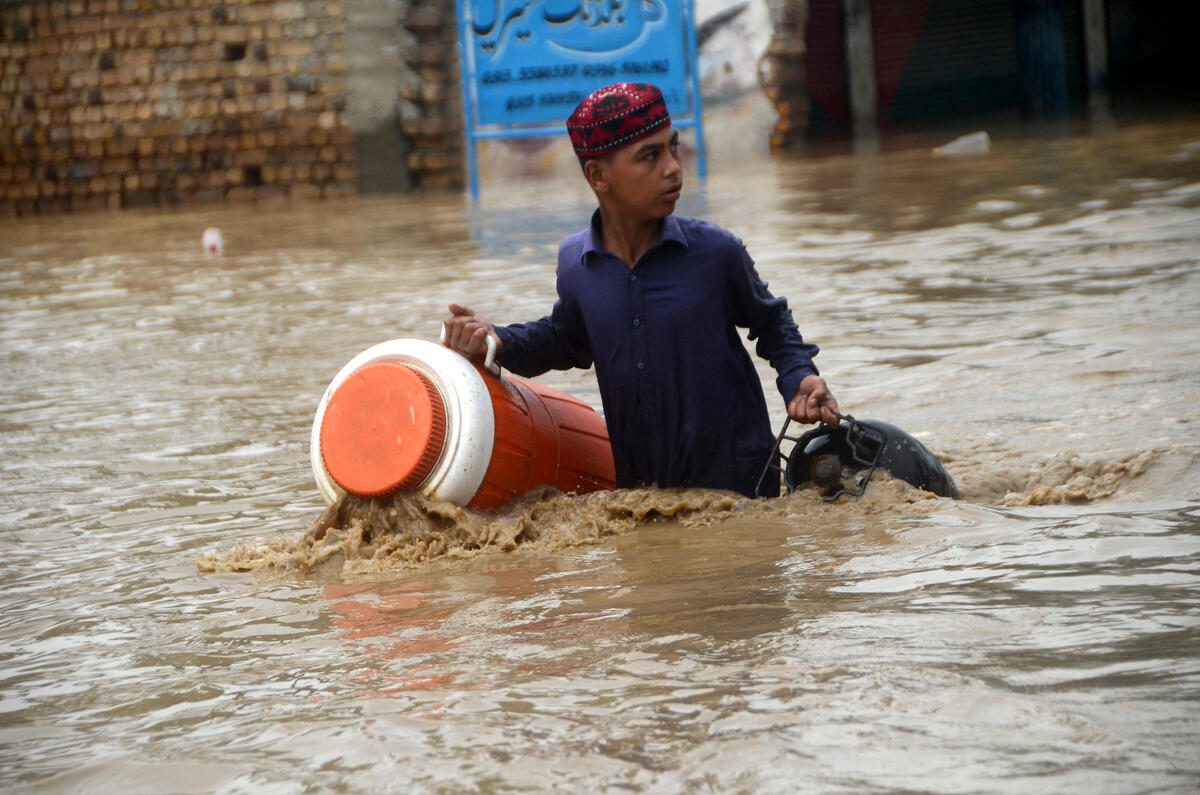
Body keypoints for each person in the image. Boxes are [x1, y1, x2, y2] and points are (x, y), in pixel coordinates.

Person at [443, 82, 839, 497]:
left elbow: (772, 323)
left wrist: (799, 378)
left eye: (673, 147)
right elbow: (567, 340)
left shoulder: (715, 252)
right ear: (598, 175)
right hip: (644, 499)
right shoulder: (577, 263)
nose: (673, 167)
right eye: (650, 156)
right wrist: (497, 340)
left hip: (739, 492)